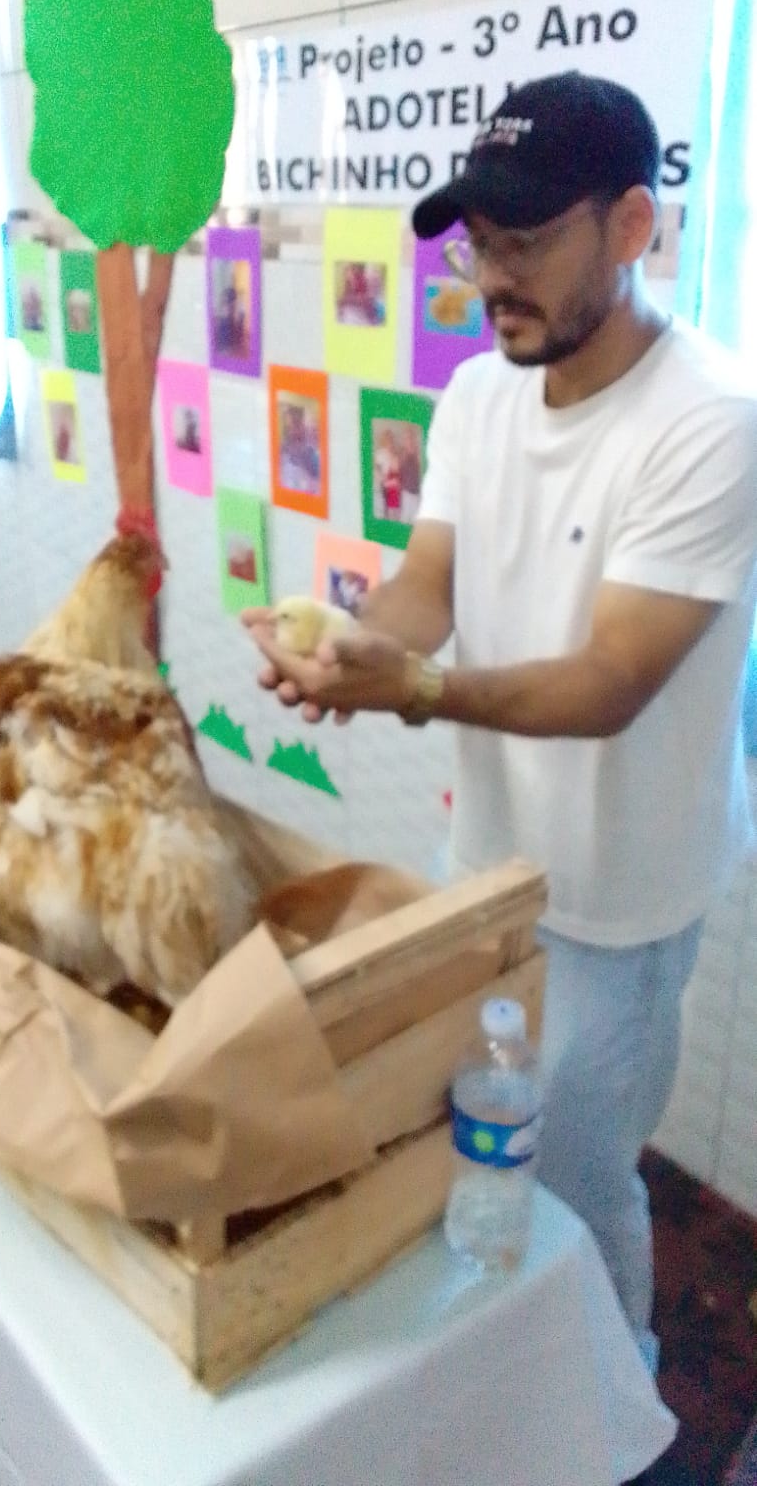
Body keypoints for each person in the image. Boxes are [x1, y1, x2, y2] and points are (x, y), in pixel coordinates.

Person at [243, 70, 757, 1369]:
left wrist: (414, 689)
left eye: (524, 241)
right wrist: (354, 644)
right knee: (471, 1135)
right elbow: (430, 584)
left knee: (580, 1181)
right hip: (485, 861)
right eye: (478, 243)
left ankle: (621, 1402)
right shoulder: (479, 393)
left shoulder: (711, 420)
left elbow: (613, 678)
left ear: (631, 225)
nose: (491, 278)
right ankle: (502, 1371)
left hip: (618, 901)